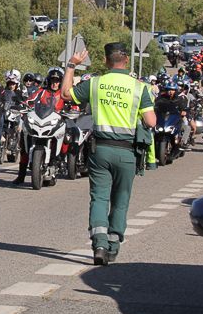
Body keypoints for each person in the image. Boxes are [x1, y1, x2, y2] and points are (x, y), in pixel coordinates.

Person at [61, 42, 156, 266]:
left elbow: (65, 94)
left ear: (106, 61)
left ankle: (100, 245)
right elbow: (151, 121)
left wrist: (72, 65)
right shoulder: (139, 87)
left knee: (99, 198)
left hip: (100, 151)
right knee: (120, 200)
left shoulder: (95, 83)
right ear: (127, 60)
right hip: (127, 153)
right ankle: (113, 246)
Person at [13, 68, 66, 185]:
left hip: (56, 122)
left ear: (61, 82)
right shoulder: (42, 91)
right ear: (48, 80)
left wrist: (71, 108)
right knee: (24, 142)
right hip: (40, 121)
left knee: (67, 137)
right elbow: (30, 100)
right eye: (53, 80)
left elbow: (71, 103)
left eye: (57, 81)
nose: (54, 83)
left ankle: (59, 162)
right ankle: (21, 175)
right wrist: (24, 105)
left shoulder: (63, 93)